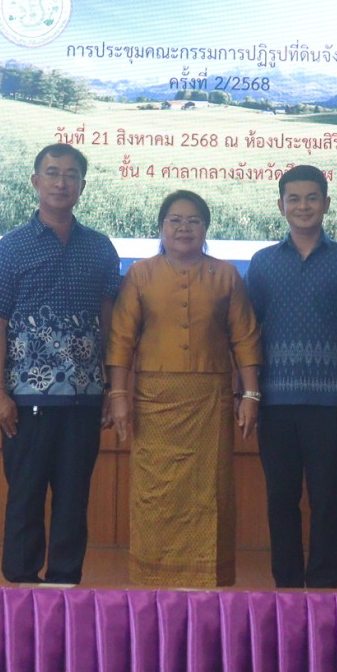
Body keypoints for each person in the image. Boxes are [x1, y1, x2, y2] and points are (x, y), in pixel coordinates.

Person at [0, 143, 123, 585]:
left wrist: (112, 389)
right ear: (36, 181)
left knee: (74, 499)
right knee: (24, 496)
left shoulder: (99, 247)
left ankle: (64, 583)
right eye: (53, 173)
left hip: (83, 397)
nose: (62, 182)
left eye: (71, 174)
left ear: (82, 184)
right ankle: (20, 586)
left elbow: (110, 324)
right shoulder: (12, 246)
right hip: (24, 398)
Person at [107, 191, 261, 587]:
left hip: (209, 403)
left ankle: (206, 582)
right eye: (175, 220)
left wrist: (250, 395)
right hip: (152, 402)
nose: (184, 228)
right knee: (154, 499)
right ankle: (151, 580)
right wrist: (119, 396)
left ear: (206, 228)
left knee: (208, 496)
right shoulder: (140, 274)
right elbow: (122, 339)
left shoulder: (226, 275)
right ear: (161, 227)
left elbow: (244, 338)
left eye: (193, 221)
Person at [246, 164, 337, 590]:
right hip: (275, 402)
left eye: (311, 198)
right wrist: (246, 392)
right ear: (281, 205)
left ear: (326, 204)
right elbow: (248, 334)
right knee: (280, 499)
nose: (303, 206)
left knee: (326, 500)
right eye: (294, 199)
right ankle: (286, 586)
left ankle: (322, 589)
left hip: (330, 405)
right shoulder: (262, 263)